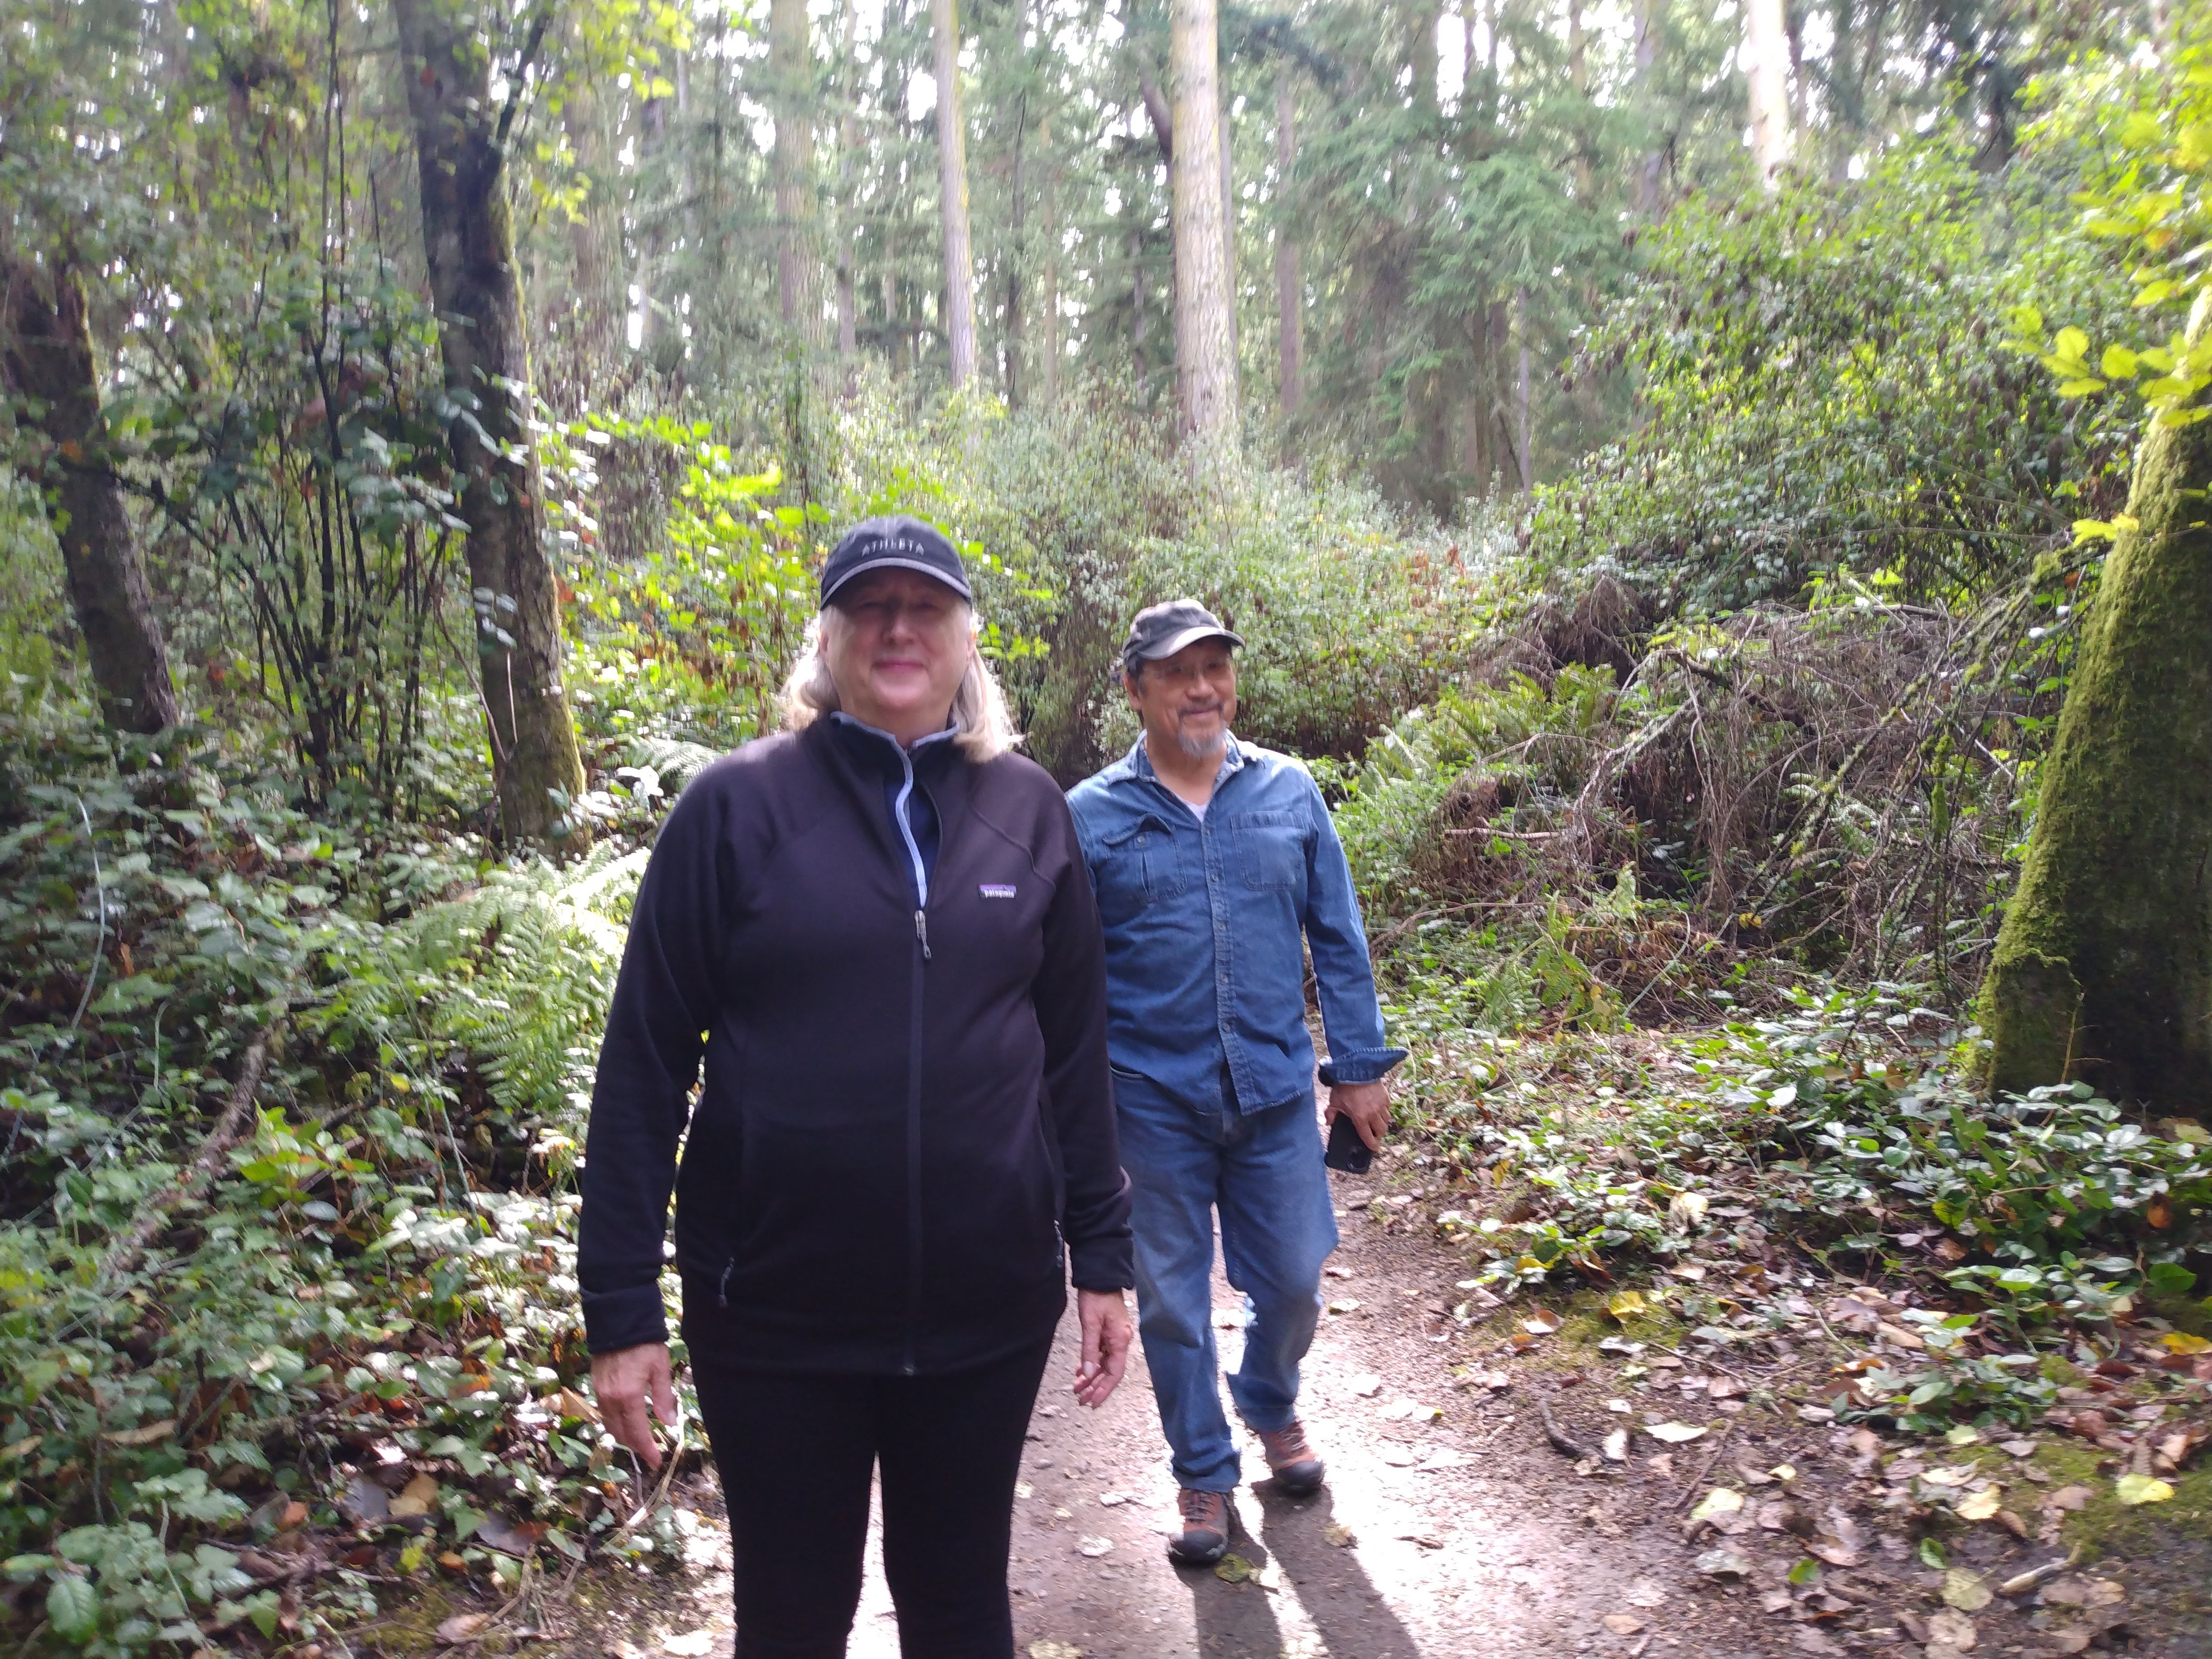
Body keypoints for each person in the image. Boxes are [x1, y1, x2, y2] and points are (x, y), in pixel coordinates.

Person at [577, 516, 1136, 1659]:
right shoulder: (733, 811)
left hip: (985, 1310)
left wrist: (1102, 1254)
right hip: (773, 1315)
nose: (897, 629)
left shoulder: (1028, 810)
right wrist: (622, 1310)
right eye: (869, 607)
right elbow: (642, 1066)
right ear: (826, 641)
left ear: (965, 640)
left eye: (925, 608)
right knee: (791, 1620)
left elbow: (1075, 1049)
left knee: (960, 1611)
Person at [1065, 599, 1405, 1567]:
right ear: (1135, 690)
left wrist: (1359, 1070)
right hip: (1147, 1102)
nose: (1202, 688)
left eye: (1215, 667)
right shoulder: (1089, 817)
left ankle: (1266, 1399)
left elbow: (1337, 936)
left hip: (1273, 1091)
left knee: (1295, 1276)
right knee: (1172, 1304)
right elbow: (1066, 977)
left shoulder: (1289, 792)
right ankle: (1203, 1471)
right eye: (1177, 673)